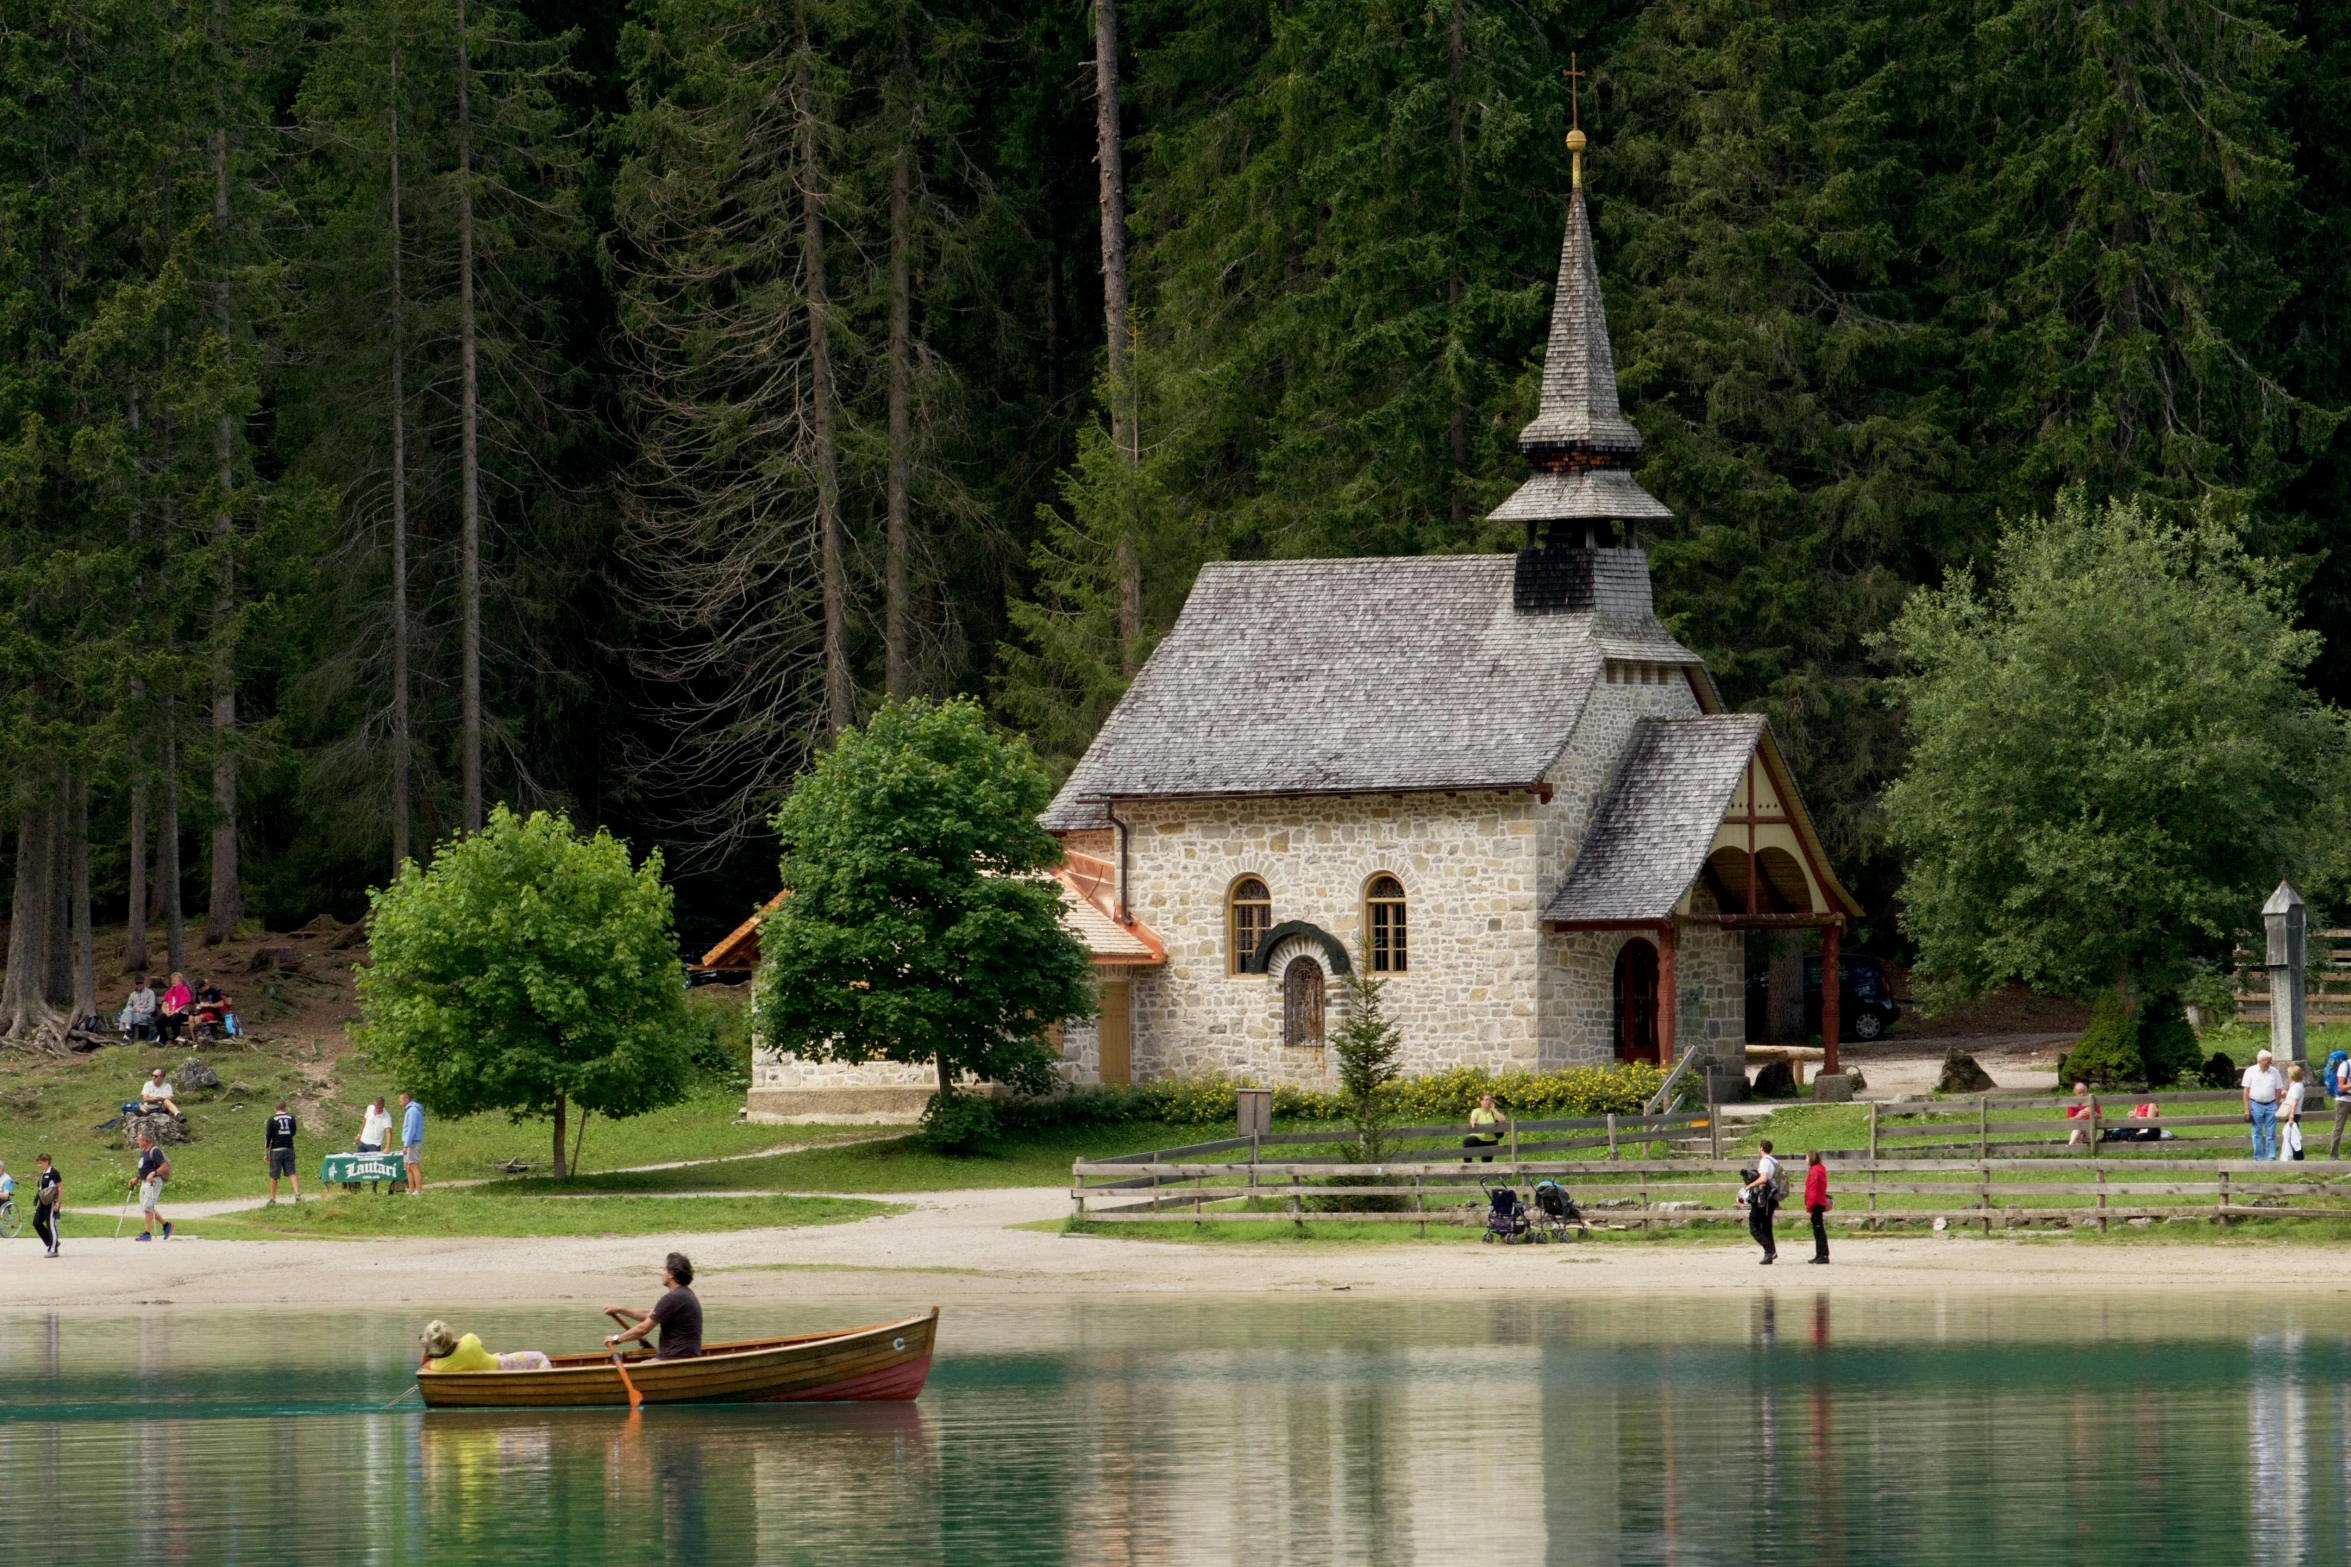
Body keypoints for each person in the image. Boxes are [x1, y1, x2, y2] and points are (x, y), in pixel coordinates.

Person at [602, 1253, 704, 1360]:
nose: (660, 1273)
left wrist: (616, 1339)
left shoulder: (673, 1298)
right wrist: (620, 1310)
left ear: (671, 1274)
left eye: (664, 1269)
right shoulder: (686, 1294)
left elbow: (642, 1329)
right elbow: (650, 1314)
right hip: (686, 1357)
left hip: (673, 1359)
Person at [417, 1320, 551, 1373]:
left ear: (433, 1343)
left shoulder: (441, 1366)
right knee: (540, 1357)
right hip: (502, 1365)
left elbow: (423, 1367)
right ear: (450, 1334)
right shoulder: (470, 1339)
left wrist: (426, 1349)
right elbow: (480, 1347)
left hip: (493, 1372)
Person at [1742, 1140, 1780, 1265]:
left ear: (1761, 1148)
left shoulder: (1764, 1161)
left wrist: (1750, 1186)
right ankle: (1770, 1252)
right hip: (1773, 1198)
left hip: (1765, 1198)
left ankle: (1769, 1250)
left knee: (1754, 1225)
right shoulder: (1774, 1161)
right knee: (1766, 1225)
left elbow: (1763, 1178)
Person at [2243, 1049, 2285, 1161]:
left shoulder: (2274, 1072)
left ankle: (2271, 1157)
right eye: (2267, 1062)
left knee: (2271, 1133)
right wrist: (2247, 1109)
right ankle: (2258, 1157)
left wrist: (2276, 1104)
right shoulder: (2250, 1071)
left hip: (2271, 1105)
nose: (2269, 1064)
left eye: (2270, 1062)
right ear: (2260, 1061)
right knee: (2256, 1132)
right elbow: (2246, 1091)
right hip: (2255, 1104)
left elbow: (2278, 1089)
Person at [130, 1134, 171, 1241]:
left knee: (148, 1207)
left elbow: (164, 1167)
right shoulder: (144, 1151)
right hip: (144, 1182)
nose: (137, 1142)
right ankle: (166, 1225)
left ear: (145, 1140)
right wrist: (137, 1177)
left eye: (138, 1140)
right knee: (146, 1208)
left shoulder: (155, 1151)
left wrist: (153, 1173)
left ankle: (147, 1234)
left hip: (154, 1181)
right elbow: (145, 1167)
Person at [264, 1099, 301, 1203]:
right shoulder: (291, 1118)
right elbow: (293, 1132)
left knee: (273, 1175)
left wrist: (266, 1153)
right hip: (289, 1148)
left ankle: (272, 1198)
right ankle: (297, 1194)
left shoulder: (271, 1119)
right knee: (292, 1172)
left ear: (275, 1109)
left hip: (276, 1150)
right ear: (285, 1108)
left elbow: (268, 1137)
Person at [1803, 1151, 1830, 1265]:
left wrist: (1809, 1206)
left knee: (1818, 1229)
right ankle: (1820, 1254)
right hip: (1818, 1202)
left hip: (1816, 1203)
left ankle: (1823, 1254)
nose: (1805, 1159)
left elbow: (1813, 1190)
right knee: (1818, 1229)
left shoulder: (1814, 1171)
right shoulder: (1818, 1170)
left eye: (1806, 1157)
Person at [1461, 1093, 1504, 1164]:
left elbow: (1502, 1120)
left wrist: (1493, 1110)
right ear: (1481, 1101)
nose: (1488, 1102)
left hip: (1491, 1140)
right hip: (1478, 1138)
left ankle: (1484, 1174)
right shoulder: (1476, 1111)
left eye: (1490, 1100)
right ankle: (1468, 1166)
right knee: (1467, 1141)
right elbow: (1473, 1119)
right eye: (1486, 1100)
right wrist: (1473, 1122)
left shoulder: (1493, 1112)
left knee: (1486, 1163)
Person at [32, 1153, 60, 1258]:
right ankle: (52, 1242)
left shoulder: (54, 1173)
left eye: (40, 1163)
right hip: (43, 1202)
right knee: (37, 1223)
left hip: (51, 1202)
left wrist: (57, 1203)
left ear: (46, 1162)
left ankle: (53, 1249)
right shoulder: (44, 1173)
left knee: (50, 1224)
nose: (39, 1165)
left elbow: (60, 1188)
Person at [2280, 1063, 2308, 1162]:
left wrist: (2291, 1116)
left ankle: (2298, 1157)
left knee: (2293, 1136)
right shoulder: (2296, 1086)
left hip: (2294, 1113)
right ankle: (2296, 1157)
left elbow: (2294, 1102)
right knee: (2292, 1135)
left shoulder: (2296, 1087)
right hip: (2295, 1112)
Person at [119, 977, 159, 1043]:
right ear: (135, 984)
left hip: (144, 1015)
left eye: (141, 983)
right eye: (137, 983)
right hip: (133, 1014)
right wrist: (132, 1010)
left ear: (144, 983)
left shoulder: (150, 993)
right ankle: (127, 1033)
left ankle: (127, 1033)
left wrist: (140, 1010)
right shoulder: (133, 994)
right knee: (127, 1011)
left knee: (124, 1016)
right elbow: (128, 1006)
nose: (139, 985)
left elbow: (151, 1008)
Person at [399, 1092, 424, 1194]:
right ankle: (411, 1188)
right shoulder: (409, 1110)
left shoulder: (413, 1111)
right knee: (408, 1166)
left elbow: (411, 1128)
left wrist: (406, 1144)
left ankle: (418, 1190)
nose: (399, 1103)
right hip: (408, 1141)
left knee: (414, 1165)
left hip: (413, 1142)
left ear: (406, 1100)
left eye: (400, 1101)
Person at [157, 973, 192, 1045]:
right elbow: (164, 1005)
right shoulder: (169, 991)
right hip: (170, 1012)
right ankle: (164, 1039)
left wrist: (175, 1011)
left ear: (180, 981)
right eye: (172, 980)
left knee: (174, 1020)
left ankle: (176, 1038)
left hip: (181, 1012)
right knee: (159, 1020)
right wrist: (166, 1012)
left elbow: (185, 1004)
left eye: (175, 980)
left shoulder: (184, 989)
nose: (173, 981)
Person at [2330, 1053, 2351, 1159]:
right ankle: (2333, 1155)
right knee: (2339, 1127)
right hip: (2343, 1100)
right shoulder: (2345, 1066)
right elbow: (2341, 1087)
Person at [2063, 1081, 2095, 1146]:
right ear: (2075, 1093)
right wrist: (2078, 1116)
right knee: (2079, 1136)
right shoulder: (2072, 1102)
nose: (2082, 1095)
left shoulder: (2092, 1101)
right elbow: (2070, 1120)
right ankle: (2079, 1150)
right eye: (2079, 1093)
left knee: (2078, 1131)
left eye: (2083, 1092)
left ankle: (2069, 1146)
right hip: (2076, 1126)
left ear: (2086, 1091)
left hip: (2089, 1126)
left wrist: (2093, 1113)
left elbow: (2100, 1117)